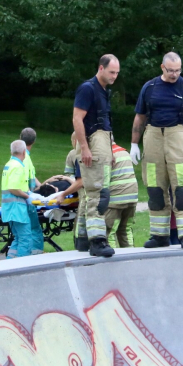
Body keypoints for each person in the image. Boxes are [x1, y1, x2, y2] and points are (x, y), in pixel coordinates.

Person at [130, 52, 183, 250]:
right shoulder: (149, 87)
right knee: (155, 189)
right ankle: (159, 235)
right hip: (153, 137)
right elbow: (139, 117)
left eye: (178, 70)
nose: (175, 74)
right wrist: (134, 144)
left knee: (182, 188)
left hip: (179, 137)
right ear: (162, 67)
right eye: (171, 70)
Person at [72, 54, 120, 258]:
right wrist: (84, 147)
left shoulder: (103, 91)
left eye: (117, 73)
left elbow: (104, 123)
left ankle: (83, 238)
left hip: (103, 144)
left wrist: (110, 150)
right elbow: (77, 118)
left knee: (97, 193)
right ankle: (97, 241)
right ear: (100, 68)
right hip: (92, 143)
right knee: (97, 194)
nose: (114, 76)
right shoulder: (88, 88)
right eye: (111, 72)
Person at [1, 140, 38, 258]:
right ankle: (22, 266)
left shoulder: (9, 164)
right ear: (24, 152)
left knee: (18, 238)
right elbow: (13, 188)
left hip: (9, 208)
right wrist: (28, 196)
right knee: (26, 239)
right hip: (18, 208)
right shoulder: (18, 167)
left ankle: (9, 263)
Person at [104, 139, 138, 248]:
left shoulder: (107, 154)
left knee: (109, 230)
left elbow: (103, 178)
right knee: (125, 229)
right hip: (132, 196)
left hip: (116, 198)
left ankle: (112, 260)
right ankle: (131, 254)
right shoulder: (124, 151)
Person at [20, 128, 47, 255]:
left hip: (25, 196)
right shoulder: (26, 157)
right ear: (34, 141)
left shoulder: (20, 156)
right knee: (34, 228)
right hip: (26, 197)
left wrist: (41, 186)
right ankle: (36, 253)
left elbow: (30, 175)